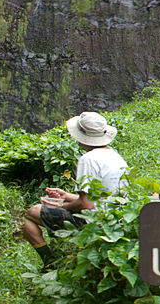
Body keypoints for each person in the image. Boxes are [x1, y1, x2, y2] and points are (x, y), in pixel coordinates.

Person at [21, 111, 128, 266]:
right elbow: (98, 197)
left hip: (95, 223)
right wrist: (65, 196)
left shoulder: (88, 159)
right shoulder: (115, 156)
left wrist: (61, 205)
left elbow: (86, 205)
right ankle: (65, 255)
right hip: (115, 220)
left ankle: (50, 262)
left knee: (31, 214)